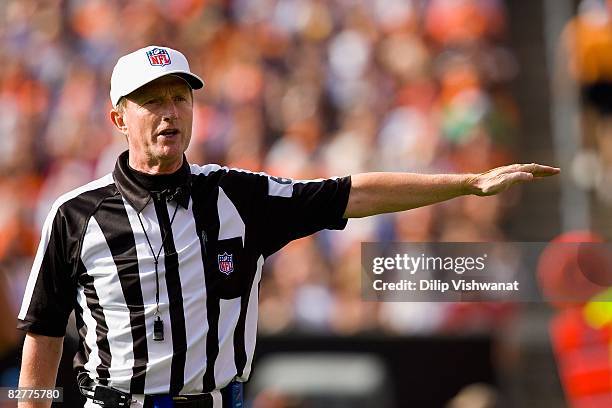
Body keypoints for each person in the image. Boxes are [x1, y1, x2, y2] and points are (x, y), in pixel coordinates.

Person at [16, 45, 559, 408]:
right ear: (118, 117)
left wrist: (468, 183)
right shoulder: (76, 215)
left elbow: (351, 192)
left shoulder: (235, 195)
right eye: (152, 101)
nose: (170, 113)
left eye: (180, 98)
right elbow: (42, 337)